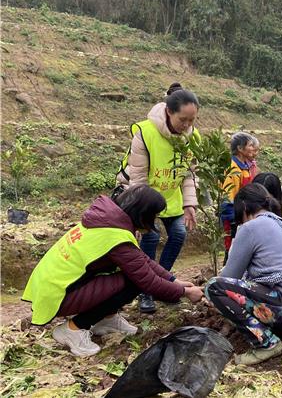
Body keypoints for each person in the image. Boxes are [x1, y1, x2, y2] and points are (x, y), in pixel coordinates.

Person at [22, 186, 204, 357]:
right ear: (143, 213)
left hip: (54, 288)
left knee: (131, 274)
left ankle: (106, 319)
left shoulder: (107, 221)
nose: (154, 221)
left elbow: (141, 260)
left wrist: (173, 280)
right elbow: (148, 280)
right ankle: (73, 328)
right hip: (57, 295)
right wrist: (185, 292)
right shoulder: (115, 236)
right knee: (133, 281)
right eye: (154, 216)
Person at [205, 184, 282, 365]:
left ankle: (267, 344)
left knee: (214, 287)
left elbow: (230, 276)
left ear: (244, 208)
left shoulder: (250, 227)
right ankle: (276, 329)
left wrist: (202, 292)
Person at [117, 82, 200, 314]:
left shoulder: (192, 138)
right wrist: (139, 215)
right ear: (169, 111)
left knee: (178, 234)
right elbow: (138, 177)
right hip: (146, 198)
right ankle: (145, 291)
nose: (187, 125)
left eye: (192, 120)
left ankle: (161, 286)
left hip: (171, 198)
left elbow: (189, 173)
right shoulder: (146, 132)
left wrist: (189, 204)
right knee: (150, 239)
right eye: (183, 119)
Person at [221, 132, 260, 262]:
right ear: (240, 148)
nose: (253, 148)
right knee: (232, 245)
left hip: (245, 212)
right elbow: (228, 196)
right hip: (234, 214)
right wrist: (235, 219)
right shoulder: (232, 168)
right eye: (250, 145)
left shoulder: (245, 167)